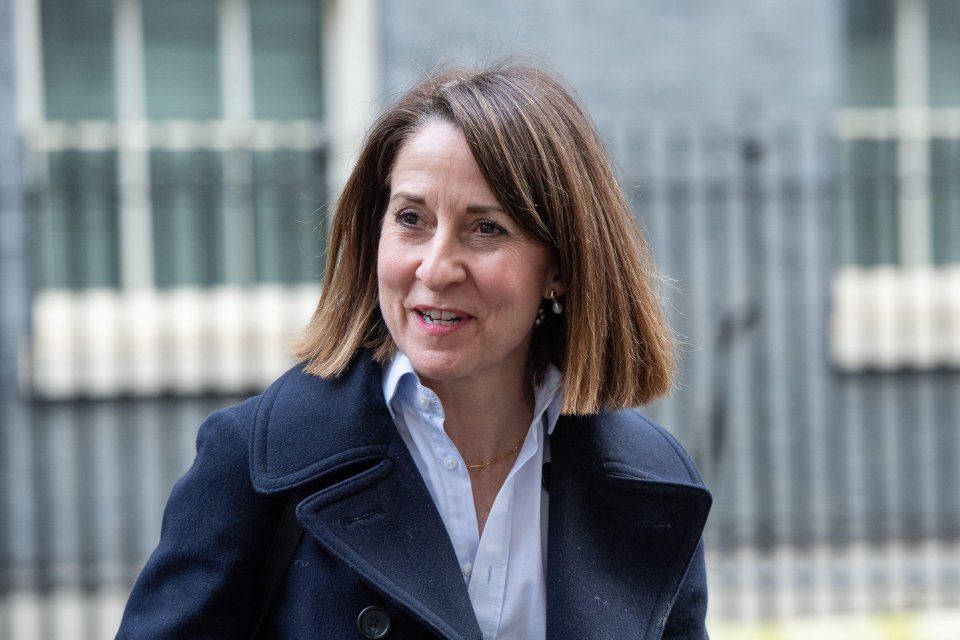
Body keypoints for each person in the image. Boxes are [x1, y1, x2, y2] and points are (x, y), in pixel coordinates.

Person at [116, 62, 712, 639]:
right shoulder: (254, 462)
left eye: (486, 229)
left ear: (559, 266)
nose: (435, 266)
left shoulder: (650, 484)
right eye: (411, 218)